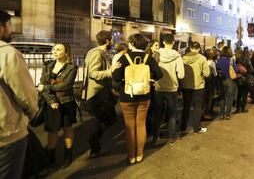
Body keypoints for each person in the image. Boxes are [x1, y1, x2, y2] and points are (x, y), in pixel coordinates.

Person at [112, 33, 163, 164]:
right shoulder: (149, 58)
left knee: (130, 125)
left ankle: (131, 155)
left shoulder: (124, 58)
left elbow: (116, 78)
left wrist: (114, 69)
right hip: (144, 95)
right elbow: (160, 74)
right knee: (141, 124)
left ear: (132, 44)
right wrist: (151, 80)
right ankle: (140, 154)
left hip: (127, 95)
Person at [0, 10, 38, 179]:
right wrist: (31, 111)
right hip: (8, 134)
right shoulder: (8, 54)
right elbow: (26, 95)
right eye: (9, 25)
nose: (11, 30)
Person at [38, 43, 78, 169]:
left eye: (58, 49)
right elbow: (42, 85)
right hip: (52, 103)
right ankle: (50, 157)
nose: (54, 51)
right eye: (54, 49)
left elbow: (66, 86)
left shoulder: (71, 67)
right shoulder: (48, 65)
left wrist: (46, 87)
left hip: (66, 102)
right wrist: (51, 101)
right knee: (52, 130)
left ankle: (68, 155)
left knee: (67, 128)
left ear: (66, 53)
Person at [83, 30, 120, 158]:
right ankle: (94, 145)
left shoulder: (99, 52)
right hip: (96, 95)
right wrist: (111, 70)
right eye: (111, 40)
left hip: (100, 93)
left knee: (109, 119)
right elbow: (93, 73)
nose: (112, 42)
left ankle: (94, 143)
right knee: (102, 121)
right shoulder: (97, 54)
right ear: (107, 41)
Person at [152, 34, 184, 146]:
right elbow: (181, 75)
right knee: (172, 114)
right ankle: (172, 137)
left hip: (158, 88)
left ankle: (155, 137)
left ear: (163, 42)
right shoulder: (177, 56)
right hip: (172, 89)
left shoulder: (156, 54)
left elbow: (152, 70)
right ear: (173, 42)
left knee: (158, 114)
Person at [181, 42, 210, 132]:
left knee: (186, 106)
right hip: (198, 86)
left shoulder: (183, 58)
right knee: (197, 107)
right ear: (199, 49)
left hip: (186, 86)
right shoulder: (202, 58)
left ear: (190, 48)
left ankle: (183, 126)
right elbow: (207, 73)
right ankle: (196, 128)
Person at [216, 46, 238, 119]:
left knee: (222, 97)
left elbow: (217, 69)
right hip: (230, 81)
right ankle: (228, 114)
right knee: (230, 98)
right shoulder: (231, 60)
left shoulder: (219, 60)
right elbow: (236, 70)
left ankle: (222, 114)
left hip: (221, 80)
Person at [203, 48, 218, 120]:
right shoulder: (212, 62)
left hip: (203, 81)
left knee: (203, 98)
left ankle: (203, 112)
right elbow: (215, 74)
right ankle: (207, 113)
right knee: (209, 98)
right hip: (210, 81)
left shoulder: (203, 61)